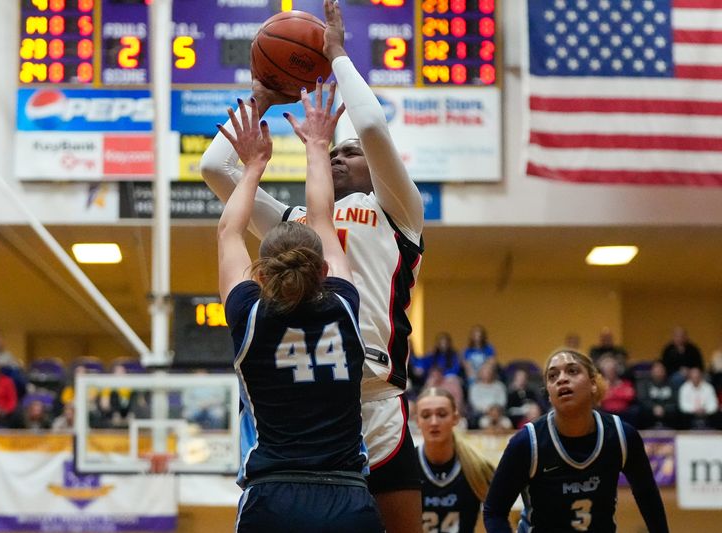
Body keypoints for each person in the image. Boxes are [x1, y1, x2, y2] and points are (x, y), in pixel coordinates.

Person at [200, 2, 424, 530]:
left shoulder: (400, 211)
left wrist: (338, 54)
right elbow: (214, 168)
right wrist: (261, 97)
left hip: (375, 399)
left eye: (355, 153)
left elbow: (370, 125)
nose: (344, 156)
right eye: (336, 152)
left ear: (379, 167)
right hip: (309, 408)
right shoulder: (296, 224)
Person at [217, 79, 382, 532]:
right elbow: (323, 216)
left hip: (273, 500)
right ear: (325, 271)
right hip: (347, 499)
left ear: (261, 275)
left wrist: (253, 165)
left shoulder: (249, 316)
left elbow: (229, 232)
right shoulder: (344, 309)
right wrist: (317, 144)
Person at [483, 349, 669, 533]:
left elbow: (647, 496)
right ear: (549, 393)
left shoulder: (621, 436)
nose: (562, 379)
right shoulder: (527, 442)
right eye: (553, 376)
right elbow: (494, 512)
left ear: (593, 383)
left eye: (572, 371)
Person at [415, 387, 495, 533]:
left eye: (442, 414)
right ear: (417, 421)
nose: (434, 422)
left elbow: (498, 516)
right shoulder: (407, 466)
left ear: (455, 418)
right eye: (426, 415)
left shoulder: (478, 467)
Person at [636, 360, 679, 429]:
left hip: (667, 411)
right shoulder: (644, 383)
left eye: (661, 370)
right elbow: (642, 399)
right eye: (656, 370)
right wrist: (654, 407)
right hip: (650, 410)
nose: (658, 372)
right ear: (651, 372)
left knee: (675, 410)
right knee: (638, 410)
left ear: (665, 371)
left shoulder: (672, 384)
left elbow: (674, 401)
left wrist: (664, 408)